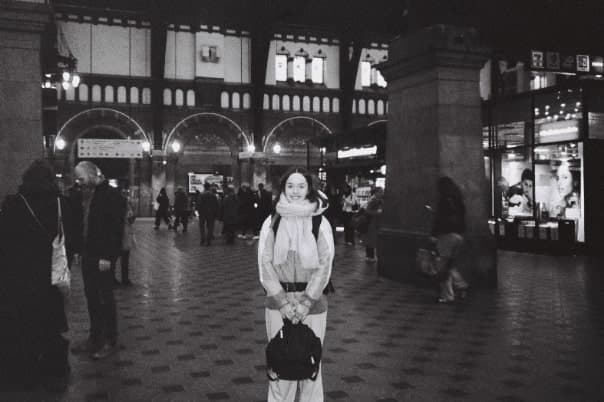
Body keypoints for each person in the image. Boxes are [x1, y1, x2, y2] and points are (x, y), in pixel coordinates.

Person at [258, 167, 334, 402]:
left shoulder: (319, 222)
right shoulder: (272, 221)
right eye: (290, 186)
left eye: (301, 186)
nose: (295, 191)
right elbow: (265, 263)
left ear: (310, 188)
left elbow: (325, 263)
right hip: (278, 303)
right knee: (280, 364)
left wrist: (306, 302)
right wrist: (282, 302)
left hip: (312, 305)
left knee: (311, 363)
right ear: (283, 188)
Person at [0, 160, 72, 390]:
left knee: (24, 322)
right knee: (50, 320)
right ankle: (53, 366)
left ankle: (25, 371)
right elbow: (73, 239)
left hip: (19, 275)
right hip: (50, 275)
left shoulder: (13, 204)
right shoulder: (62, 205)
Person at [70, 161, 126, 359]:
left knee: (105, 299)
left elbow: (115, 230)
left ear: (94, 174)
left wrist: (107, 256)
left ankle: (110, 340)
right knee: (91, 297)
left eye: (82, 178)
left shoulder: (111, 196)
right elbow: (84, 224)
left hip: (102, 256)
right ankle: (94, 338)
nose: (79, 182)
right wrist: (78, 249)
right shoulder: (87, 194)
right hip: (88, 253)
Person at [431, 176, 469, 304]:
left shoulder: (443, 201)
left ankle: (448, 295)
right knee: (449, 264)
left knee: (442, 267)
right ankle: (461, 285)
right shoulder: (458, 200)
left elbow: (439, 219)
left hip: (446, 236)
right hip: (459, 236)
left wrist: (433, 234)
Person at [111, 192, 135, 287]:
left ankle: (112, 279)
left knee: (114, 258)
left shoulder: (112, 207)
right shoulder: (126, 207)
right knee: (124, 259)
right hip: (124, 235)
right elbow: (131, 219)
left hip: (116, 236)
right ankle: (125, 279)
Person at [362, 187, 384, 262]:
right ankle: (369, 256)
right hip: (371, 223)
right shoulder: (373, 200)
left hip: (375, 223)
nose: (382, 193)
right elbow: (367, 211)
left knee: (371, 240)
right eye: (380, 192)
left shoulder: (379, 200)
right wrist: (377, 213)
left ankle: (370, 256)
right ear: (376, 192)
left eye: (382, 192)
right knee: (370, 240)